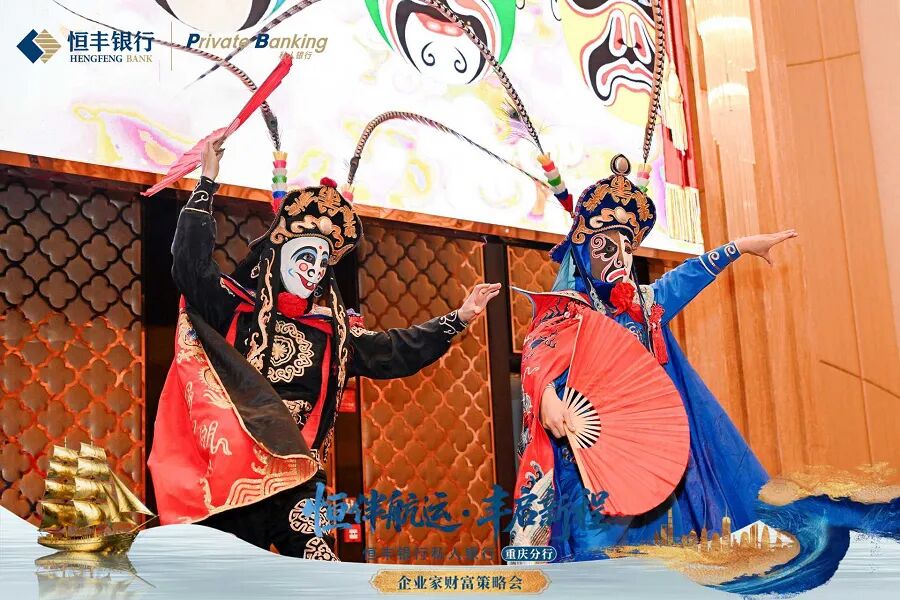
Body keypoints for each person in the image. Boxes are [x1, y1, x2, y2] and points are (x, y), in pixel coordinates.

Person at [148, 136, 501, 560]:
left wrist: (459, 318)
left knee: (320, 569)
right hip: (237, 477)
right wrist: (207, 182)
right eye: (305, 257)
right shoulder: (234, 310)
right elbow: (190, 266)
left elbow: (395, 350)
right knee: (230, 578)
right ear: (279, 256)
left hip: (300, 477)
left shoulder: (333, 334)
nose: (313, 270)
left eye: (321, 262)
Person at [510, 155, 797, 561]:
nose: (620, 258)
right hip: (585, 457)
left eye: (627, 248)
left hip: (644, 454)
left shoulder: (643, 306)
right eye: (606, 246)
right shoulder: (566, 311)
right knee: (593, 554)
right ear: (582, 249)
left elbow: (685, 278)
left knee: (658, 552)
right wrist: (546, 398)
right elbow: (536, 360)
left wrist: (738, 248)